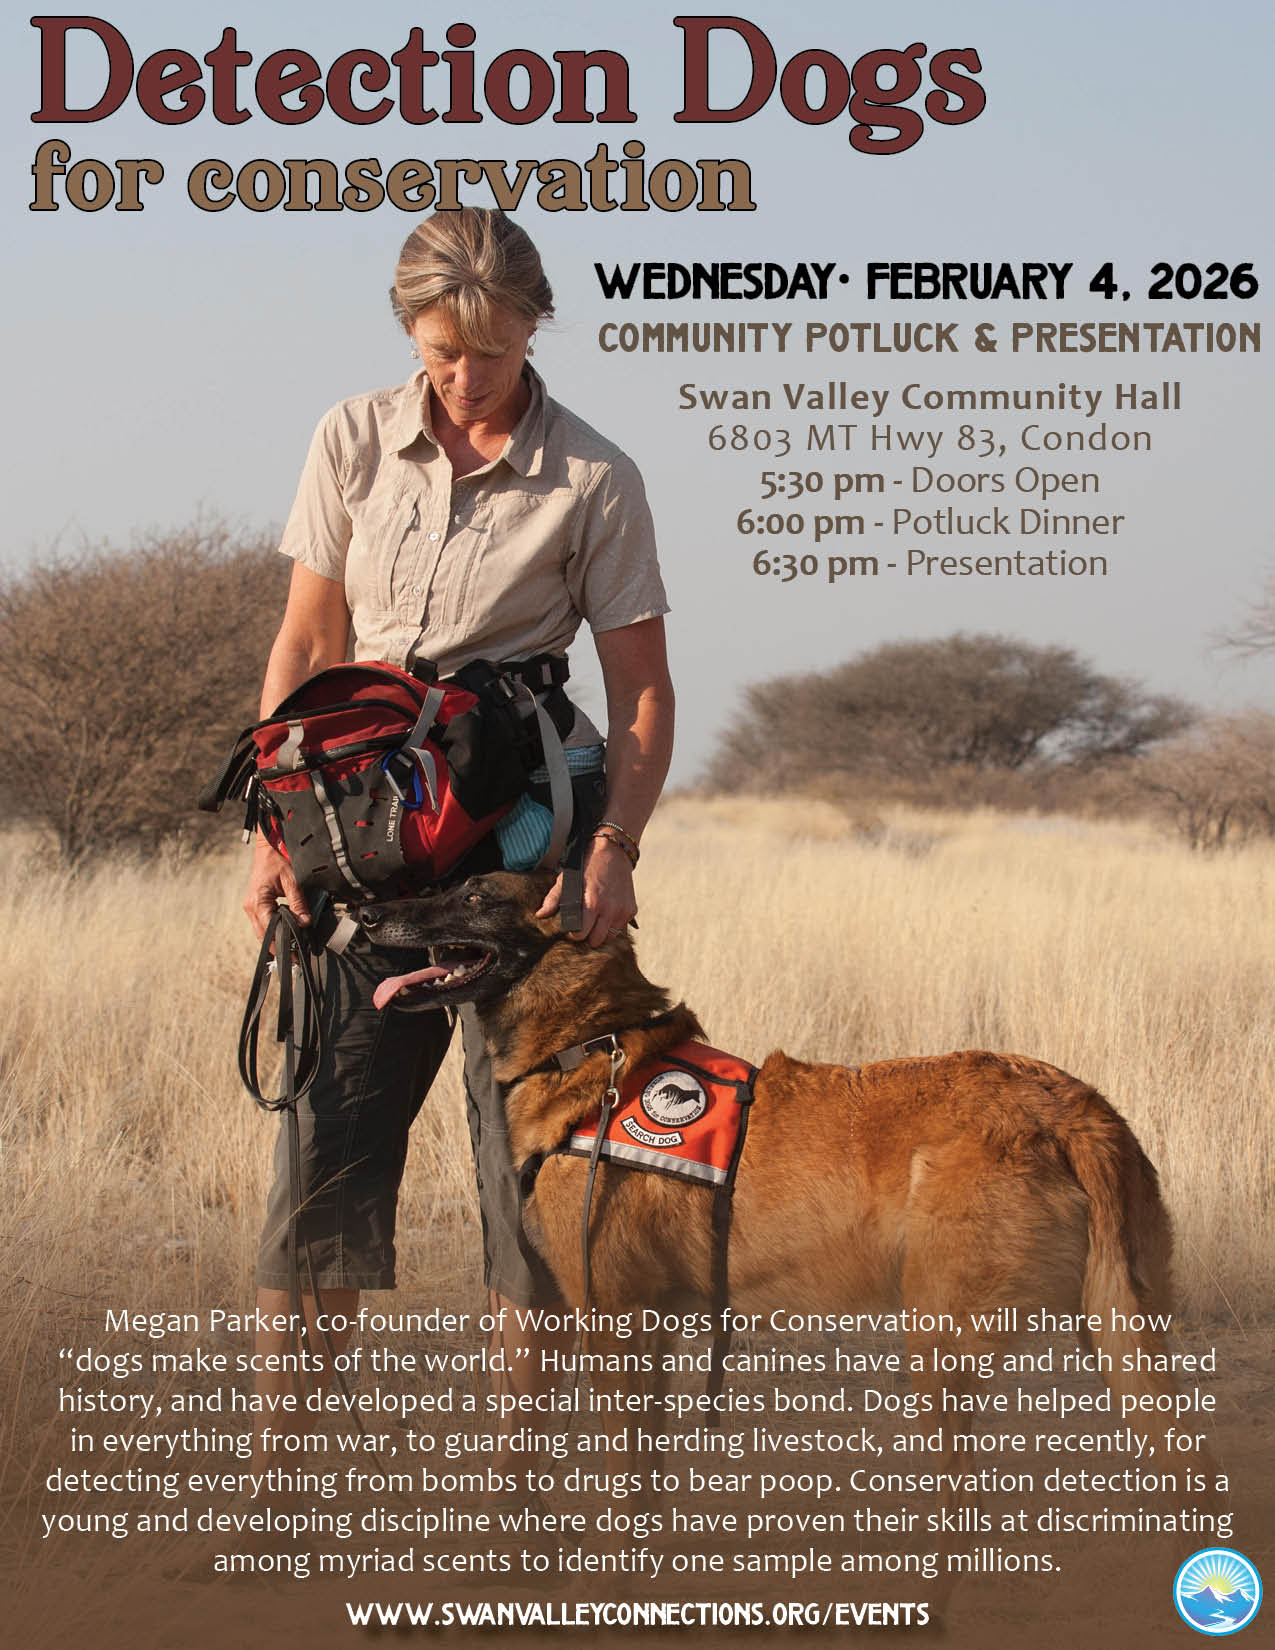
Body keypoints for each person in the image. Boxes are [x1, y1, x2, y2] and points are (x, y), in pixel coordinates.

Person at [241, 208, 673, 1476]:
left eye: (486, 349)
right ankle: (281, 1477)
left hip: (520, 845)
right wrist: (276, 836)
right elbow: (309, 649)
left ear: (536, 325)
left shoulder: (596, 477)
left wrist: (615, 850)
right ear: (411, 333)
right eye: (438, 350)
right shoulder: (350, 437)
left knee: (527, 1168)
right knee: (322, 1149)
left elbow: (642, 691)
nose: (463, 377)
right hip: (360, 828)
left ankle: (513, 1488)